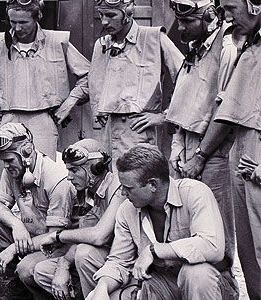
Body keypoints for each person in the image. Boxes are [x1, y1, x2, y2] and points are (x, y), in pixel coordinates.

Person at [86, 145, 234, 300]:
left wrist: (154, 250)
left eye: (128, 188)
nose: (122, 193)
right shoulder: (127, 209)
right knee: (102, 296)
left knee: (196, 274)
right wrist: (101, 288)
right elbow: (119, 261)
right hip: (162, 283)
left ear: (153, 185)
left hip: (212, 284)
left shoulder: (194, 192)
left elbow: (213, 246)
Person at [0, 0, 90, 213]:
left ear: (36, 17)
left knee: (39, 187)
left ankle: (39, 239)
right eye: (12, 22)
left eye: (23, 22)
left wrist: (68, 103)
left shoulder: (57, 42)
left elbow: (89, 76)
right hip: (8, 119)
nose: (16, 28)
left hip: (43, 120)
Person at [165, 0, 240, 295]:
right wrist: (176, 147)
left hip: (213, 153)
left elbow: (226, 112)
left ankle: (225, 291)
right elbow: (184, 104)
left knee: (219, 233)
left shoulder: (227, 48)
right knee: (191, 223)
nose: (181, 29)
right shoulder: (195, 48)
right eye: (179, 21)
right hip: (187, 149)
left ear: (209, 16)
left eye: (188, 22)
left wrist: (200, 156)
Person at [0, 123, 77, 300]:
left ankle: (26, 283)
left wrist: (13, 249)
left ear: (27, 151)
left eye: (9, 160)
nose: (7, 166)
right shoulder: (12, 170)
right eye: (3, 161)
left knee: (26, 270)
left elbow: (56, 235)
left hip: (55, 245)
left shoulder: (57, 180)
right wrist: (16, 224)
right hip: (28, 238)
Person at [89, 0, 184, 166]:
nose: (104, 21)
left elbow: (187, 77)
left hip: (138, 132)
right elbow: (93, 82)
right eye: (101, 15)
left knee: (138, 186)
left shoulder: (154, 38)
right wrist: (98, 109)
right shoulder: (101, 45)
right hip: (107, 134)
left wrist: (164, 116)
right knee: (110, 188)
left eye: (111, 15)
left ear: (128, 12)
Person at [33, 138, 125, 299]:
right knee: (42, 271)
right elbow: (85, 236)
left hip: (120, 261)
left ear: (96, 168)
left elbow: (98, 236)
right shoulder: (87, 192)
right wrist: (63, 265)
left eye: (74, 170)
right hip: (99, 257)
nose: (69, 177)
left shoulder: (117, 187)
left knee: (84, 254)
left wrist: (57, 236)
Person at [214, 0, 261, 298]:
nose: (227, 18)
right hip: (243, 151)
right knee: (249, 254)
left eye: (232, 8)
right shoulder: (250, 44)